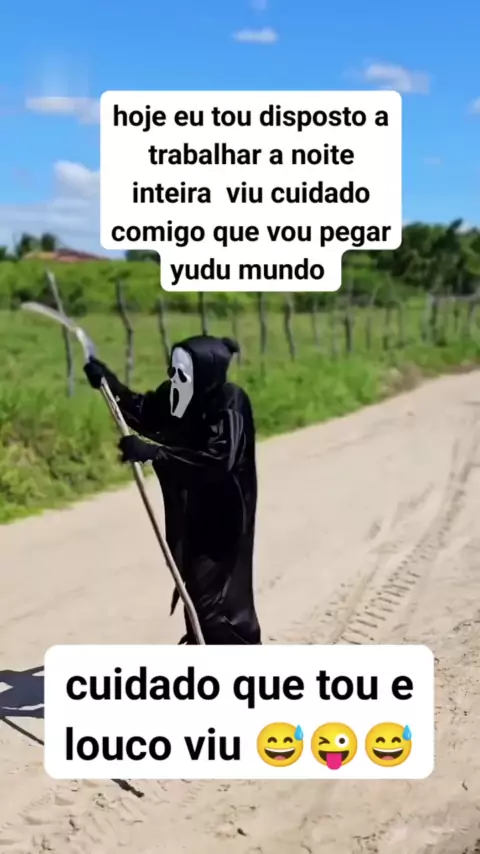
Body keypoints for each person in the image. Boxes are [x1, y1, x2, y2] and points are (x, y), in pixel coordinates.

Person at [83, 334, 261, 646]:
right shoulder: (177, 396)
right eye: (172, 371)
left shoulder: (230, 402)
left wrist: (155, 453)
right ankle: (204, 648)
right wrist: (108, 384)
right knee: (196, 589)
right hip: (192, 513)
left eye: (182, 375)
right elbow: (146, 413)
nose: (174, 380)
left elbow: (217, 460)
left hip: (225, 516)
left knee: (216, 600)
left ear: (205, 374)